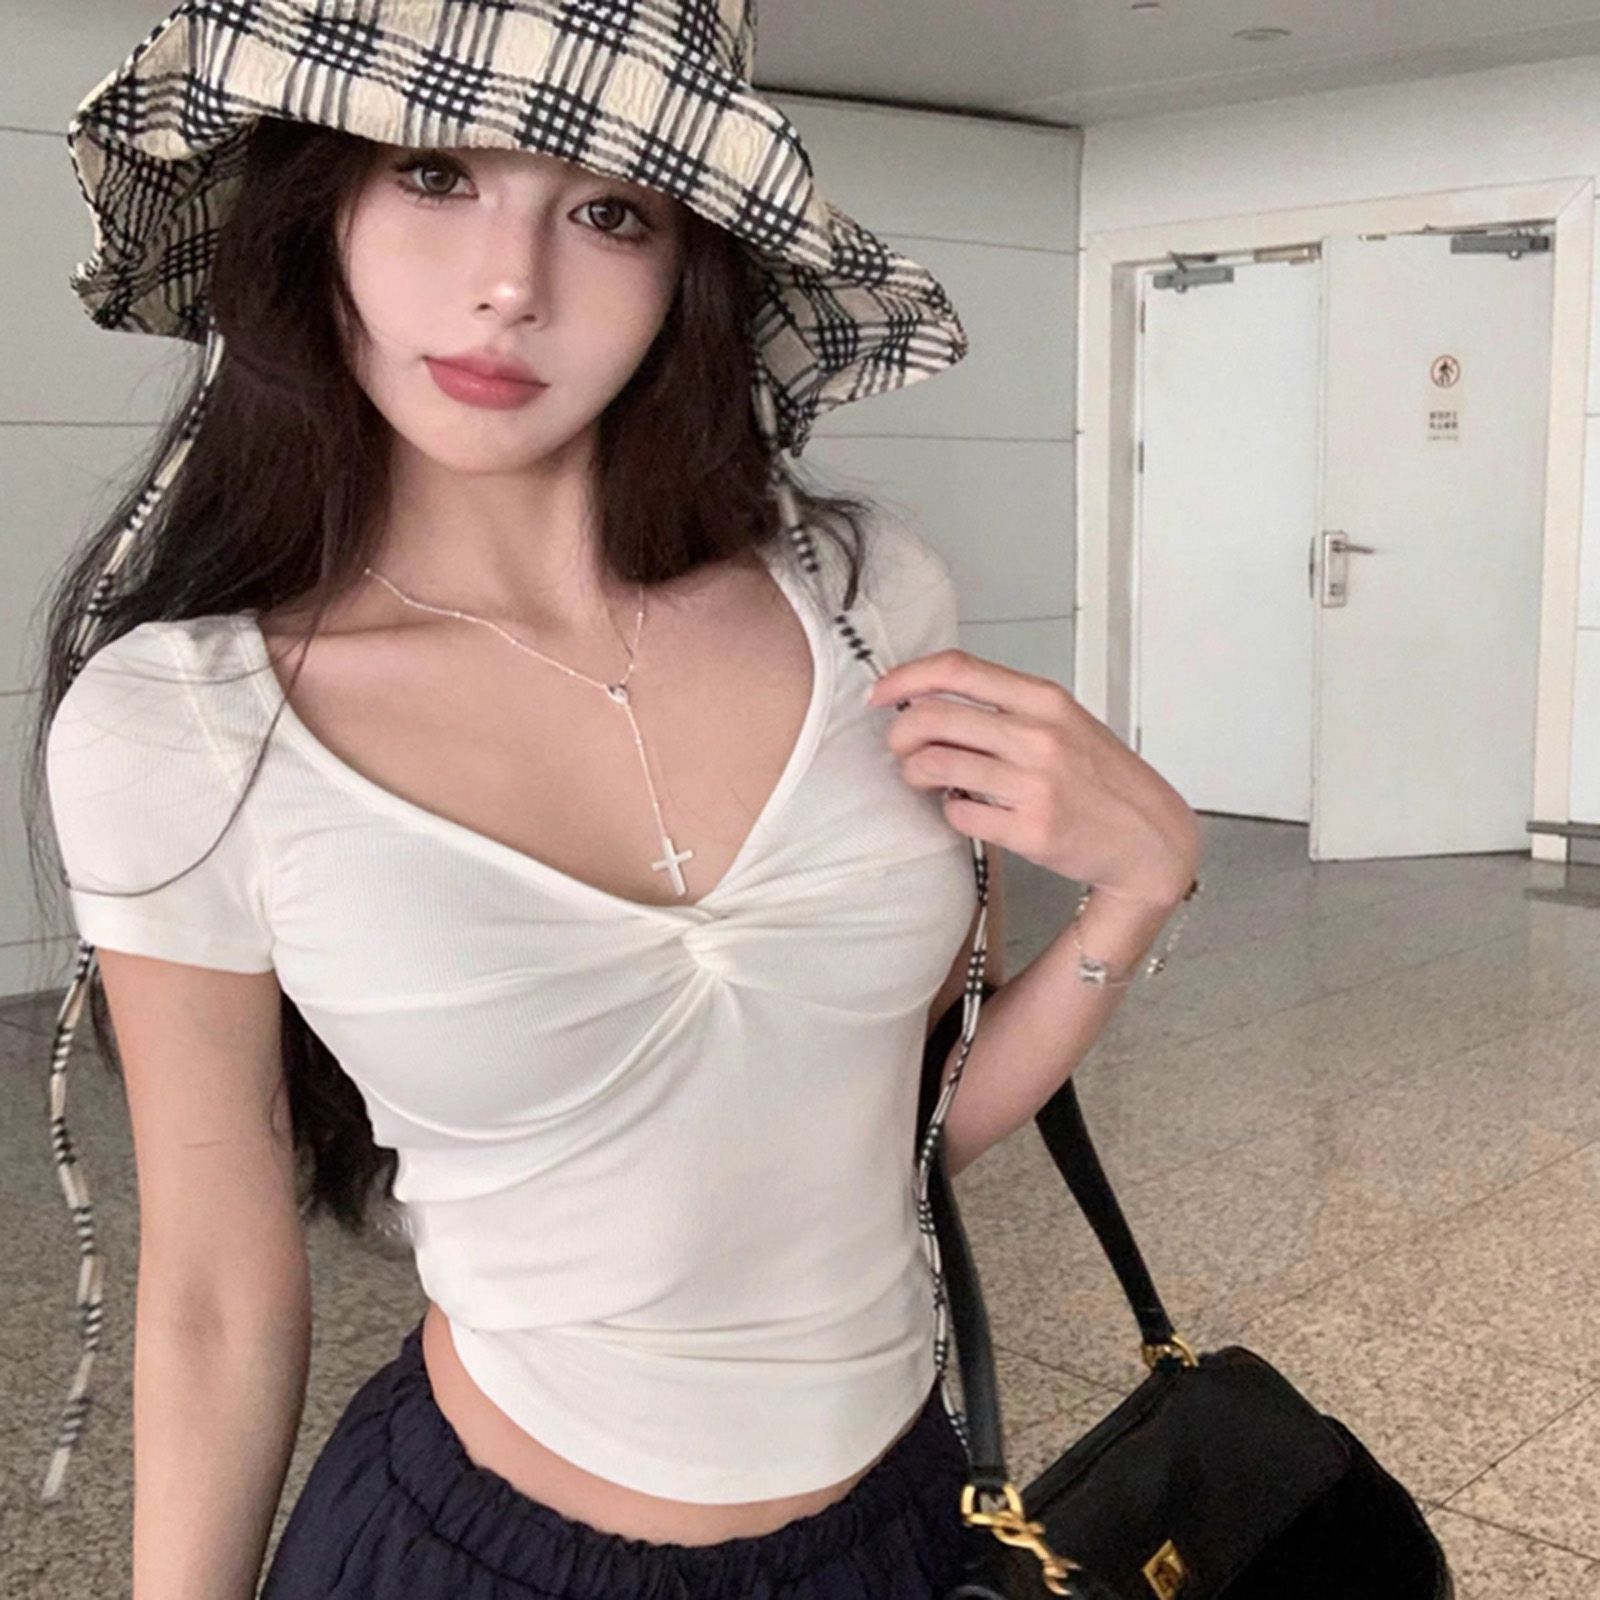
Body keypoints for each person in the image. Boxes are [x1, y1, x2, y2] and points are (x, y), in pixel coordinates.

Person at [26, 3, 1201, 1597]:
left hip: (899, 1532)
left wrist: (1140, 887)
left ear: (686, 268)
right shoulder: (187, 723)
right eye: (433, 173)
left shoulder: (866, 601)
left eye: (608, 210)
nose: (512, 285)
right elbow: (217, 1296)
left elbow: (894, 1136)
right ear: (319, 215)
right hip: (474, 1556)